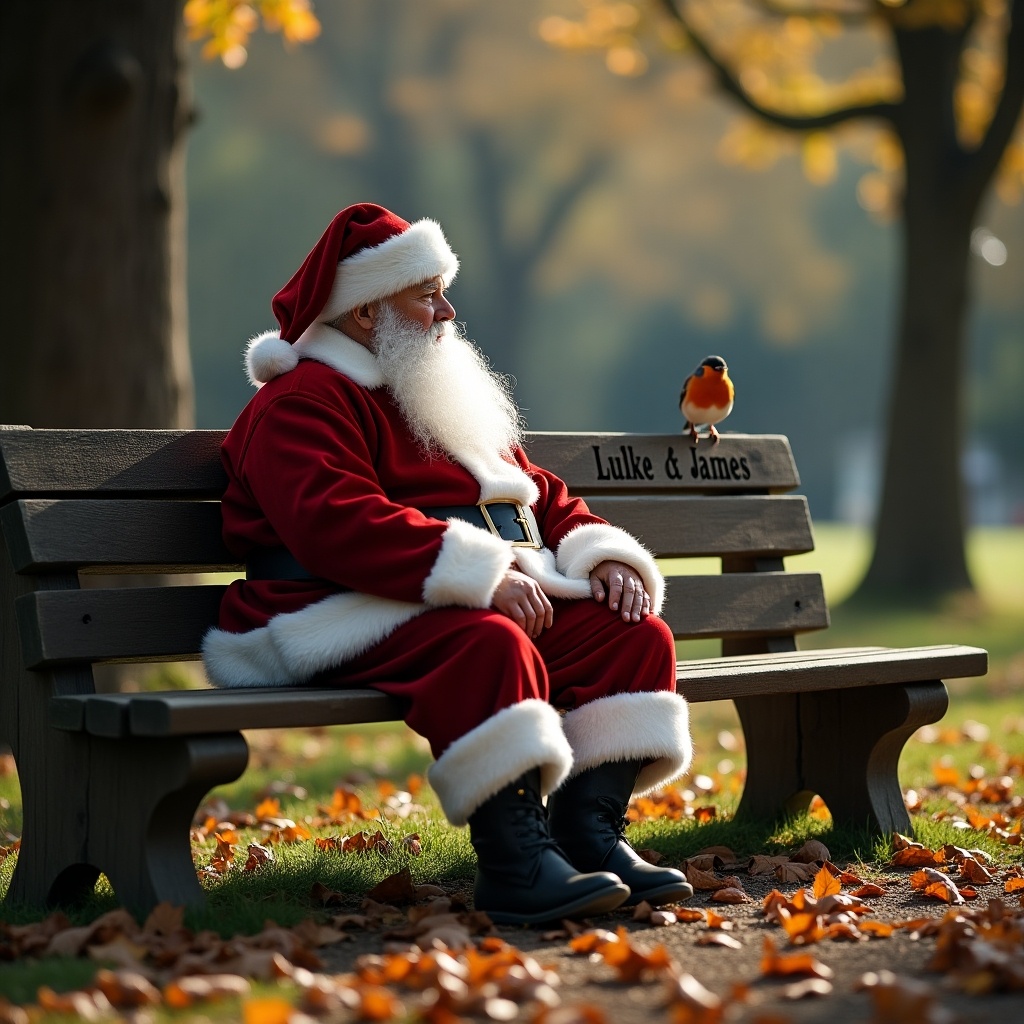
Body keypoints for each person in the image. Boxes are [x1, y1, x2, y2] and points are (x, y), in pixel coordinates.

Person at [202, 203, 694, 925]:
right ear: (367, 313)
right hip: (333, 608)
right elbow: (333, 524)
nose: (446, 310)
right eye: (426, 294)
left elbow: (541, 497)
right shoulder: (300, 402)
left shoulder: (432, 391)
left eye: (442, 290)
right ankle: (515, 866)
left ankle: (589, 837)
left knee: (634, 635)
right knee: (488, 645)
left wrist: (601, 554)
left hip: (437, 596)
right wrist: (481, 574)